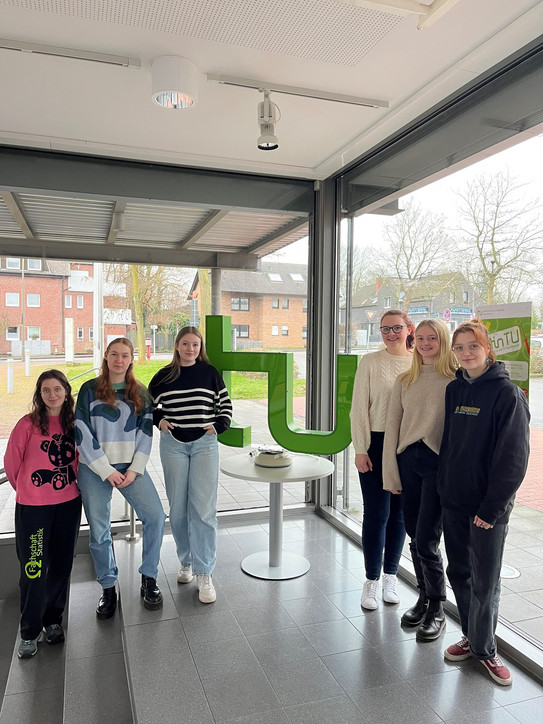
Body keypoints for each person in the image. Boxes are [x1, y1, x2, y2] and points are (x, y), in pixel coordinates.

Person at [438, 320, 530, 685]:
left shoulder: (507, 395)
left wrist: (491, 510)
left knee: (485, 582)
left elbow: (513, 460)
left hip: (486, 510)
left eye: (471, 346)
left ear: (488, 348)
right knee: (458, 572)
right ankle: (473, 637)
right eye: (458, 348)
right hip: (454, 502)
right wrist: (445, 489)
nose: (465, 353)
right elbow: (450, 446)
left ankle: (486, 650)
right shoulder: (454, 390)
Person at [75, 338, 166, 619]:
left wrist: (134, 469)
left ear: (131, 359)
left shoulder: (140, 392)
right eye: (114, 354)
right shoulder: (89, 390)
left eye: (125, 355)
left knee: (155, 517)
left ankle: (149, 578)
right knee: (100, 531)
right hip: (94, 470)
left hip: (130, 469)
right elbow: (81, 430)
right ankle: (108, 587)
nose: (119, 359)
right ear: (106, 356)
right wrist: (106, 470)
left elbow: (146, 433)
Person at [383, 319, 456, 641]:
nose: (426, 343)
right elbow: (392, 429)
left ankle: (438, 608)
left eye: (432, 338)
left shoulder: (456, 381)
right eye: (421, 338)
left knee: (427, 537)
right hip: (407, 460)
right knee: (414, 534)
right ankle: (424, 597)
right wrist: (390, 472)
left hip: (438, 464)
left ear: (443, 341)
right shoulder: (405, 380)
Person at [148, 326, 232, 604]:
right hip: (173, 445)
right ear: (176, 345)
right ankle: (186, 562)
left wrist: (218, 425)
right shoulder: (163, 376)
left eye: (195, 345)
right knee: (179, 509)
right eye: (185, 344)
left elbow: (226, 405)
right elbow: (150, 406)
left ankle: (205, 572)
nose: (190, 349)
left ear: (200, 347)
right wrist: (159, 421)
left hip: (205, 445)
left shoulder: (209, 373)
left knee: (204, 511)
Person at [4, 370, 81, 658]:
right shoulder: (27, 424)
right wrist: (28, 490)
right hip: (34, 508)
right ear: (39, 394)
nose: (52, 395)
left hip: (69, 504)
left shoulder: (74, 423)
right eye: (46, 390)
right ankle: (29, 630)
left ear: (66, 391)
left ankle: (52, 621)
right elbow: (12, 463)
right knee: (33, 569)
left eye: (57, 389)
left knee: (61, 565)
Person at [350, 310, 414, 610]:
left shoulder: (420, 361)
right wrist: (360, 448)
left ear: (408, 328)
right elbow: (358, 408)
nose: (391, 334)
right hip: (375, 443)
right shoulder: (370, 362)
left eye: (397, 328)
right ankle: (372, 580)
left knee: (400, 514)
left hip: (407, 445)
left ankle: (391, 576)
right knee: (376, 513)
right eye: (385, 328)